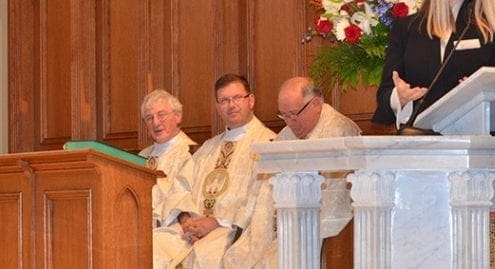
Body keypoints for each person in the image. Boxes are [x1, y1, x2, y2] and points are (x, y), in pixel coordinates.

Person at [223, 76, 361, 269]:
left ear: (316, 103)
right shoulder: (286, 136)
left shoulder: (340, 132)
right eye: (284, 116)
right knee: (235, 257)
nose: (290, 122)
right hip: (283, 228)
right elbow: (264, 192)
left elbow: (337, 201)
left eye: (294, 114)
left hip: (319, 233)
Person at [152, 74, 276, 269]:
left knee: (208, 257)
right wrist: (186, 220)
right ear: (218, 107)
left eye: (237, 98)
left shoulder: (268, 145)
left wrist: (215, 222)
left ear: (250, 100)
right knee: (153, 248)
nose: (231, 105)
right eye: (224, 100)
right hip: (189, 228)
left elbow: (262, 201)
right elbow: (182, 186)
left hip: (232, 230)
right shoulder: (207, 148)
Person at [139, 89, 197, 227]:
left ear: (178, 116)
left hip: (172, 227)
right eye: (149, 118)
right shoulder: (141, 156)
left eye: (161, 115)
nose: (156, 123)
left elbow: (183, 200)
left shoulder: (191, 154)